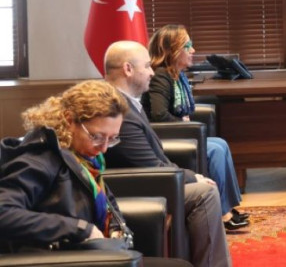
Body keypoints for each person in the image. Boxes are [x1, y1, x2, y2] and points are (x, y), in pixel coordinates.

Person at [103, 41, 234, 266]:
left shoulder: (126, 102)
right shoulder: (118, 110)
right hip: (134, 186)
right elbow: (148, 166)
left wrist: (186, 175)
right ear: (128, 69)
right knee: (204, 193)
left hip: (149, 179)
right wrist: (191, 177)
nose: (152, 72)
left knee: (204, 186)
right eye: (147, 66)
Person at [0, 81, 129, 252]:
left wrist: (115, 228)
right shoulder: (41, 160)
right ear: (69, 120)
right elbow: (4, 212)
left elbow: (107, 203)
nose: (104, 148)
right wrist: (78, 229)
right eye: (96, 136)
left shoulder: (84, 159)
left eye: (112, 138)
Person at [140, 26, 248, 229]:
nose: (193, 50)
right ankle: (222, 214)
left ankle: (228, 205)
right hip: (164, 137)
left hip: (179, 134)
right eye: (187, 46)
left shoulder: (177, 75)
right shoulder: (161, 76)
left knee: (221, 144)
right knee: (214, 150)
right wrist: (183, 124)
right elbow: (159, 115)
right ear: (172, 50)